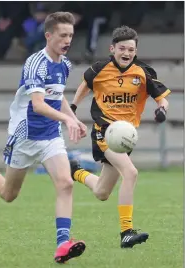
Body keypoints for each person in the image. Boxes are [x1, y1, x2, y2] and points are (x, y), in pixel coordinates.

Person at [0, 12, 87, 264]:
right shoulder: (35, 63)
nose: (67, 40)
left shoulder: (65, 64)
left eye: (71, 35)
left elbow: (57, 95)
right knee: (9, 194)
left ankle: (63, 244)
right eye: (63, 35)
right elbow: (39, 105)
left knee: (66, 184)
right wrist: (67, 120)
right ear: (48, 35)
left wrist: (72, 117)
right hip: (25, 136)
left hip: (50, 135)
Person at [70, 25, 171, 248]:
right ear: (112, 48)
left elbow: (161, 98)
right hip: (105, 131)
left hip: (125, 137)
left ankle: (75, 171)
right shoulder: (100, 68)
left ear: (135, 51)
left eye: (131, 50)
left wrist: (161, 110)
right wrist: (73, 108)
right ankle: (126, 232)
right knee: (131, 173)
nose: (126, 53)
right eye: (122, 48)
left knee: (102, 192)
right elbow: (85, 85)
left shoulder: (143, 72)